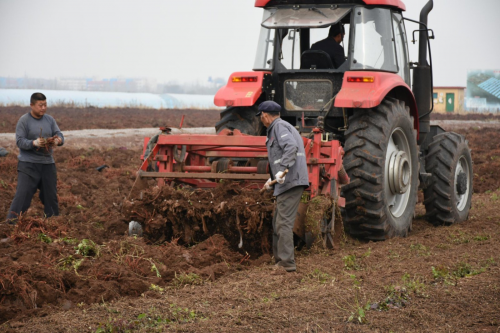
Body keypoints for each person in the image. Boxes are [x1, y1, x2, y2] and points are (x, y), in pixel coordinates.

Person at [256, 100, 309, 272]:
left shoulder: (278, 127)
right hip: (285, 182)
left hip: (291, 181)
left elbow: (290, 147)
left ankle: (286, 264)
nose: (261, 120)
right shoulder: (280, 127)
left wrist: (283, 170)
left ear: (264, 115)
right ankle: (280, 261)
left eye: (261, 117)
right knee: (277, 221)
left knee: (283, 223)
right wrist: (272, 180)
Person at [5, 92, 64, 224]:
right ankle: (11, 225)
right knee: (22, 196)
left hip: (48, 164)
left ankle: (53, 223)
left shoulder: (50, 120)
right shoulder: (24, 121)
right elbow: (19, 141)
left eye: (45, 105)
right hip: (28, 165)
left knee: (50, 197)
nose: (43, 108)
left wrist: (57, 140)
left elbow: (59, 134)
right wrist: (34, 143)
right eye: (40, 105)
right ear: (31, 105)